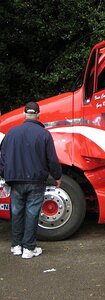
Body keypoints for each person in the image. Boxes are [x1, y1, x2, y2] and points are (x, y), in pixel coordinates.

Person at [0, 101, 62, 259]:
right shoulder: (44, 134)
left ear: (24, 114)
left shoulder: (11, 133)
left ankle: (16, 246)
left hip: (15, 180)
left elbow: (3, 158)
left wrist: (4, 177)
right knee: (32, 213)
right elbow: (52, 160)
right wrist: (57, 176)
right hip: (36, 181)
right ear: (38, 115)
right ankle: (29, 248)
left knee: (16, 212)